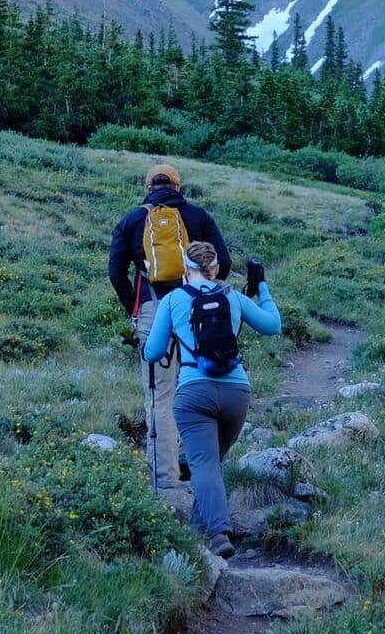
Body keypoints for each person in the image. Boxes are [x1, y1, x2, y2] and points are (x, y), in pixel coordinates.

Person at [142, 240, 281, 557]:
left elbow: (153, 352)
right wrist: (261, 285)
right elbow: (273, 326)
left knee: (203, 463)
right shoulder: (233, 296)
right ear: (216, 268)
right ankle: (194, 534)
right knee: (211, 464)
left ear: (185, 270)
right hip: (236, 393)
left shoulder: (174, 299)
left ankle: (219, 534)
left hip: (194, 394)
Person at [109, 164, 231, 490]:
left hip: (152, 309)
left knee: (160, 396)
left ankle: (165, 478)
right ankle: (205, 468)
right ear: (178, 187)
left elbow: (116, 273)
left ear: (148, 188)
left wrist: (136, 308)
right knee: (201, 384)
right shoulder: (198, 216)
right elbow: (226, 263)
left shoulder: (133, 220)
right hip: (197, 309)